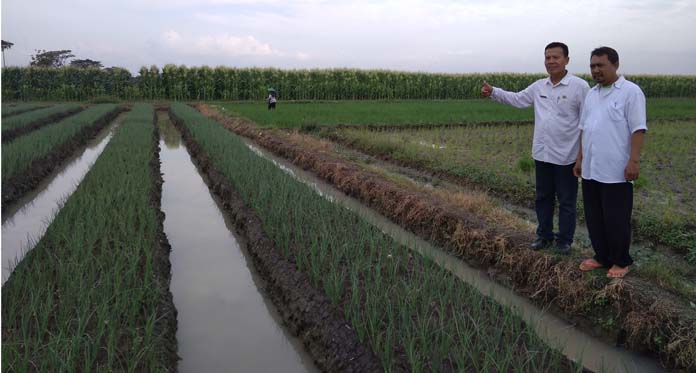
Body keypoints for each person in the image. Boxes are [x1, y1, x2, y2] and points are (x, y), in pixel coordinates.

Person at [481, 42, 590, 254]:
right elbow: (517, 99)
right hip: (542, 154)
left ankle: (564, 241)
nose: (551, 61)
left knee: (567, 201)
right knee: (543, 198)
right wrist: (494, 92)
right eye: (547, 57)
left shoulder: (579, 87)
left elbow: (586, 124)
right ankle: (544, 236)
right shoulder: (539, 86)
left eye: (555, 57)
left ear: (567, 60)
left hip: (567, 157)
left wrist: (581, 157)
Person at [574, 46, 646, 278]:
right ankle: (601, 257)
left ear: (615, 64)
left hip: (616, 170)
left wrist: (633, 161)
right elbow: (584, 129)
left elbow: (638, 129)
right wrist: (579, 159)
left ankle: (621, 261)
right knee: (594, 217)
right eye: (592, 66)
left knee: (616, 218)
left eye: (600, 65)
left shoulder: (630, 92)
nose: (596, 70)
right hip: (591, 168)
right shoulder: (592, 94)